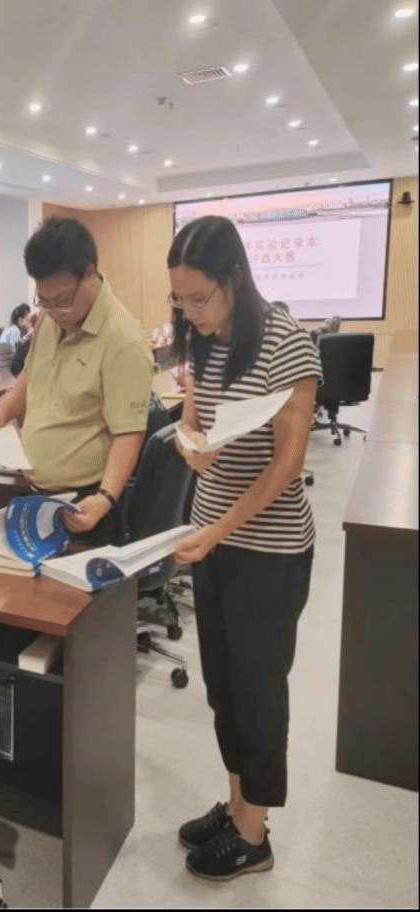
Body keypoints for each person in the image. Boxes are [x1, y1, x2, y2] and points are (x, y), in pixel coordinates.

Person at [167, 215, 321, 882]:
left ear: (234, 278)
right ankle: (236, 805)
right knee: (223, 685)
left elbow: (288, 463)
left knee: (258, 688)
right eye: (179, 301)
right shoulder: (204, 339)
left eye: (199, 298)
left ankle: (254, 833)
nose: (190, 313)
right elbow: (193, 418)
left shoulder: (287, 342)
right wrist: (188, 442)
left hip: (267, 549)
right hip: (212, 540)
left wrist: (219, 529)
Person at [0, 217, 152, 546]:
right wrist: (2, 413)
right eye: (44, 301)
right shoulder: (50, 320)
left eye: (62, 300)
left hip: (87, 503)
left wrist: (105, 497)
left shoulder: (123, 340)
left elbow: (129, 433)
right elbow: (31, 374)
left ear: (90, 274)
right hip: (37, 493)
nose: (54, 311)